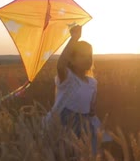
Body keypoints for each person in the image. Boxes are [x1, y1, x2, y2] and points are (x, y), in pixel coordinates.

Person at [44, 25, 108, 154]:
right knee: (62, 152)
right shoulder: (68, 79)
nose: (88, 59)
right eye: (82, 56)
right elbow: (60, 64)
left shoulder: (92, 82)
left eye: (90, 56)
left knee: (86, 153)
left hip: (84, 123)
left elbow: (91, 105)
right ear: (71, 60)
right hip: (63, 122)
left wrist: (92, 111)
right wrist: (74, 38)